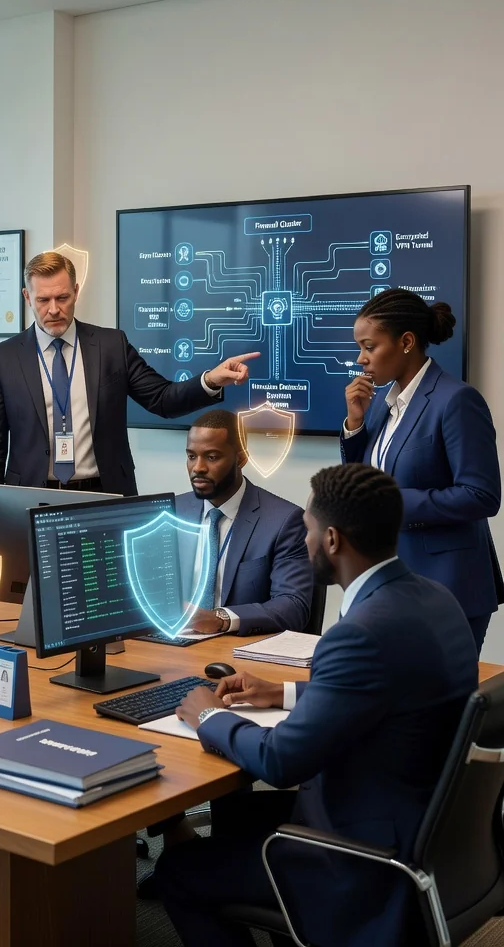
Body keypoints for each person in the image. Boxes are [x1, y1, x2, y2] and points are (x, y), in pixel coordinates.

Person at [141, 463, 478, 947]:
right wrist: (283, 693)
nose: (304, 541)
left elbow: (280, 761)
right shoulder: (433, 598)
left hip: (359, 858)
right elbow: (390, 691)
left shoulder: (358, 633)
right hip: (425, 829)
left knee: (177, 870)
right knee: (236, 819)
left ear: (333, 540)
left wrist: (207, 715)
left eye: (308, 530)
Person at [0, 251, 259, 495]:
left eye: (62, 297)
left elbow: (162, 399)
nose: (54, 310)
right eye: (43, 300)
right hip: (31, 495)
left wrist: (209, 380)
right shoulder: (2, 358)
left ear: (76, 290)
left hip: (105, 491)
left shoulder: (111, 345)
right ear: (27, 296)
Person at [341, 288, 502, 651]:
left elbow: (482, 495)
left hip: (448, 588)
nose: (361, 359)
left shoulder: (456, 399)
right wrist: (355, 424)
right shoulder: (384, 403)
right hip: (392, 584)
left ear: (407, 342)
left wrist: (392, 502)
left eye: (369, 346)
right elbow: (362, 487)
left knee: (437, 706)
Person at [177, 409, 312, 637]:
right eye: (191, 456)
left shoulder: (284, 521)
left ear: (241, 459)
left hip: (237, 647)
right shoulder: (174, 512)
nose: (198, 467)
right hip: (171, 646)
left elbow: (293, 605)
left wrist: (221, 619)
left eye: (211, 457)